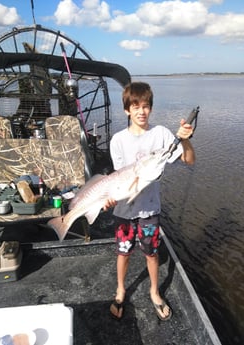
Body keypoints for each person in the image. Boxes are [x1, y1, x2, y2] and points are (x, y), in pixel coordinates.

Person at [104, 81, 195, 321]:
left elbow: (189, 160)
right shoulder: (118, 140)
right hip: (124, 210)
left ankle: (154, 292)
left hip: (150, 209)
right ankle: (121, 290)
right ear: (127, 110)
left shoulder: (162, 134)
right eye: (135, 106)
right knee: (123, 253)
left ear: (151, 108)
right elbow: (121, 179)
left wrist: (185, 139)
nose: (141, 111)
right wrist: (109, 199)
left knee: (152, 253)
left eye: (145, 106)